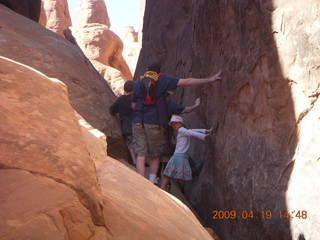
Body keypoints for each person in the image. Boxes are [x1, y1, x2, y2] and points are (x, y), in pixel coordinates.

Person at [131, 59, 221, 184]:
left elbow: (134, 104)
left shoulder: (138, 82)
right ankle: (150, 184)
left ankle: (140, 182)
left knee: (141, 154)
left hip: (138, 121)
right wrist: (210, 79)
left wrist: (140, 114)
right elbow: (187, 82)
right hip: (154, 122)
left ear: (147, 70)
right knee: (155, 155)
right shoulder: (163, 79)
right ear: (160, 71)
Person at [154, 91, 201, 185]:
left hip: (152, 132)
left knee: (157, 154)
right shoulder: (169, 105)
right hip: (165, 134)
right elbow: (187, 109)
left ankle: (156, 178)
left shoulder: (152, 104)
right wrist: (197, 104)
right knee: (169, 154)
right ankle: (166, 182)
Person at [161, 115, 213, 191]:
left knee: (169, 174)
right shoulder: (182, 130)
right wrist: (206, 133)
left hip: (178, 156)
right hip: (181, 156)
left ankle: (162, 189)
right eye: (172, 124)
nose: (173, 125)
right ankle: (164, 189)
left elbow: (193, 132)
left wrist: (206, 134)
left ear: (181, 123)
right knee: (172, 175)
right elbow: (193, 131)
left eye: (175, 123)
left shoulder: (182, 130)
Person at [110, 80, 136, 165]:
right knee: (140, 141)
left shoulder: (121, 99)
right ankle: (142, 160)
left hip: (126, 124)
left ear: (125, 89)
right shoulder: (136, 98)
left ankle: (135, 161)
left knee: (130, 143)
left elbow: (112, 109)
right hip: (137, 123)